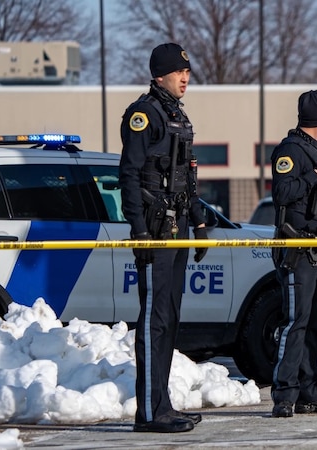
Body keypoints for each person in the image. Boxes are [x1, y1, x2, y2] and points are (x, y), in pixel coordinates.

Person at [119, 42, 208, 433]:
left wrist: (201, 223)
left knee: (169, 319)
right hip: (155, 231)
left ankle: (163, 404)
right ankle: (150, 413)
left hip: (178, 227)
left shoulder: (175, 114)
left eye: (187, 72)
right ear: (160, 74)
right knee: (155, 320)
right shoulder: (143, 115)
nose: (185, 77)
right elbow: (130, 176)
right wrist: (138, 229)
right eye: (178, 72)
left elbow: (186, 177)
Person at [269, 89, 317, 418]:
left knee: (313, 323)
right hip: (297, 248)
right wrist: (314, 177)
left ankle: (309, 392)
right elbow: (283, 192)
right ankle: (284, 395)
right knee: (295, 322)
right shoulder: (291, 150)